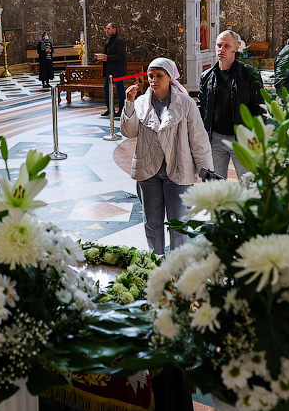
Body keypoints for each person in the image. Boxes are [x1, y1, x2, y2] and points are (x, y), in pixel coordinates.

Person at [121, 58, 213, 255]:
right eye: (150, 76)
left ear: (170, 77)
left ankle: (177, 264)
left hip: (178, 170)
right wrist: (129, 104)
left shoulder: (186, 103)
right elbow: (129, 132)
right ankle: (156, 262)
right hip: (148, 171)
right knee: (152, 223)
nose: (154, 80)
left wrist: (206, 172)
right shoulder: (140, 102)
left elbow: (198, 139)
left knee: (178, 224)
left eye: (159, 76)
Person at [197, 30, 265, 179]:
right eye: (219, 45)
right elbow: (201, 110)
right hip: (215, 139)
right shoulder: (206, 76)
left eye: (227, 46)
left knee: (249, 183)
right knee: (214, 185)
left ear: (236, 47)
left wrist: (256, 136)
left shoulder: (250, 74)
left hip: (242, 138)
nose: (221, 49)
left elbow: (260, 107)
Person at [97, 22, 127, 118]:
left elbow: (121, 55)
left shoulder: (119, 40)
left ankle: (122, 110)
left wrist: (108, 58)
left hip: (118, 70)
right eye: (106, 28)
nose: (107, 30)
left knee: (120, 91)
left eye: (108, 28)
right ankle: (110, 109)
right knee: (106, 89)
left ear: (114, 29)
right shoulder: (110, 40)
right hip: (110, 71)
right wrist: (102, 56)